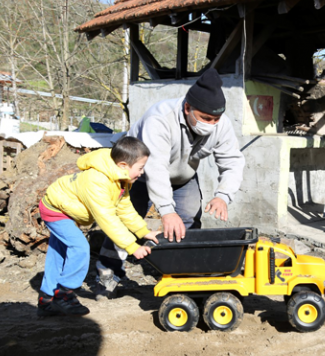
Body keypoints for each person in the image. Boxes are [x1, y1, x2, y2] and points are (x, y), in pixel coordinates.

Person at [93, 68, 246, 300]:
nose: (211, 124)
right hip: (137, 176)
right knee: (125, 222)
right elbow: (155, 168)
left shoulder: (219, 125)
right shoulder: (160, 119)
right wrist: (166, 210)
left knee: (188, 220)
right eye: (206, 118)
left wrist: (223, 195)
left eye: (216, 119)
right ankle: (107, 273)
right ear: (187, 108)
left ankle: (181, 272)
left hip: (183, 176)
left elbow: (233, 161)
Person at [37, 137, 160, 316]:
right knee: (79, 247)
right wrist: (132, 247)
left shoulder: (119, 179)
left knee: (58, 254)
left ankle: (46, 299)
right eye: (140, 168)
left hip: (64, 209)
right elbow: (107, 219)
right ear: (124, 165)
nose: (142, 172)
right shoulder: (98, 181)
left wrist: (144, 232)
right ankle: (65, 293)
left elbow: (124, 209)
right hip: (55, 210)